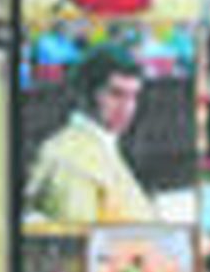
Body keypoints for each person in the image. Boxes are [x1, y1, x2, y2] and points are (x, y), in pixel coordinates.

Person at [24, 44, 156, 224]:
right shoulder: (69, 159)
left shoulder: (99, 144)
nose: (127, 108)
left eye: (133, 96)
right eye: (116, 94)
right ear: (86, 94)